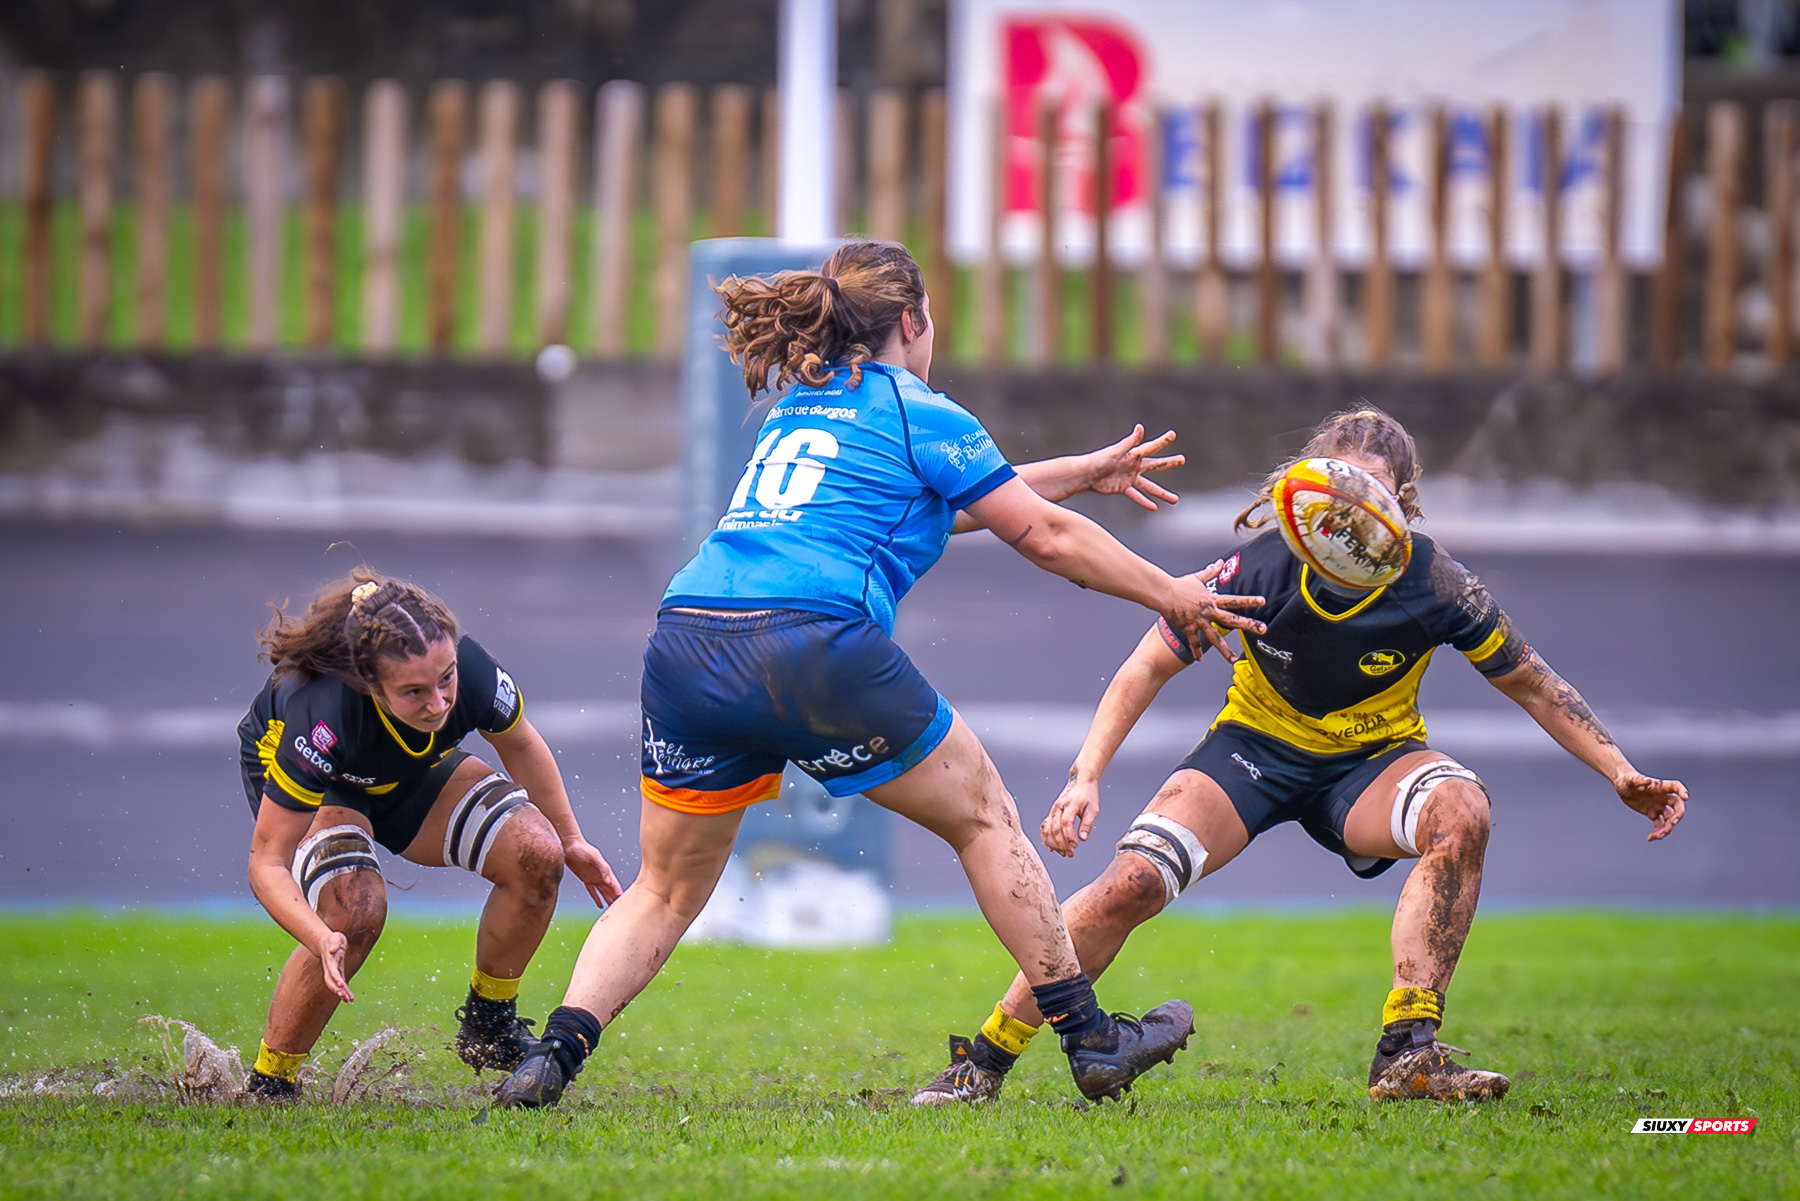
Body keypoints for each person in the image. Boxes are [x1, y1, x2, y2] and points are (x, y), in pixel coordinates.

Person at [494, 239, 1267, 1109]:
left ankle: (548, 1060)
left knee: (666, 888)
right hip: (810, 638)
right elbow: (1037, 534)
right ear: (912, 322)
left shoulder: (803, 405)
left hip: (690, 639)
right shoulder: (919, 407)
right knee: (985, 819)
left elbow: (949, 496)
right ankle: (1090, 1040)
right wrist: (1174, 593)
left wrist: (1079, 473)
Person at [911, 407, 1689, 1106]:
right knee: (1131, 881)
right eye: (1334, 492)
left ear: (1404, 504)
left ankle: (1407, 1053)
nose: (1348, 515)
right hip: (1252, 751)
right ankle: (982, 1062)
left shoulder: (1435, 580)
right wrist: (1085, 776)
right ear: (1301, 491)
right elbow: (1147, 662)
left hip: (1371, 763)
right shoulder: (1259, 567)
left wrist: (1618, 769)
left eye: (1372, 496)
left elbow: (1537, 684)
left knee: (1463, 811)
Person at [237, 570, 622, 1099]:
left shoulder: (471, 669)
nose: (439, 704)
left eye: (446, 680)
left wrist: (573, 839)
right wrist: (319, 933)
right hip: (322, 784)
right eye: (414, 691)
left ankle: (488, 1025)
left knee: (538, 852)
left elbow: (521, 745)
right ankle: (270, 1082)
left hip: (398, 772)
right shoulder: (323, 713)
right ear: (369, 684)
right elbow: (267, 863)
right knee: (356, 912)